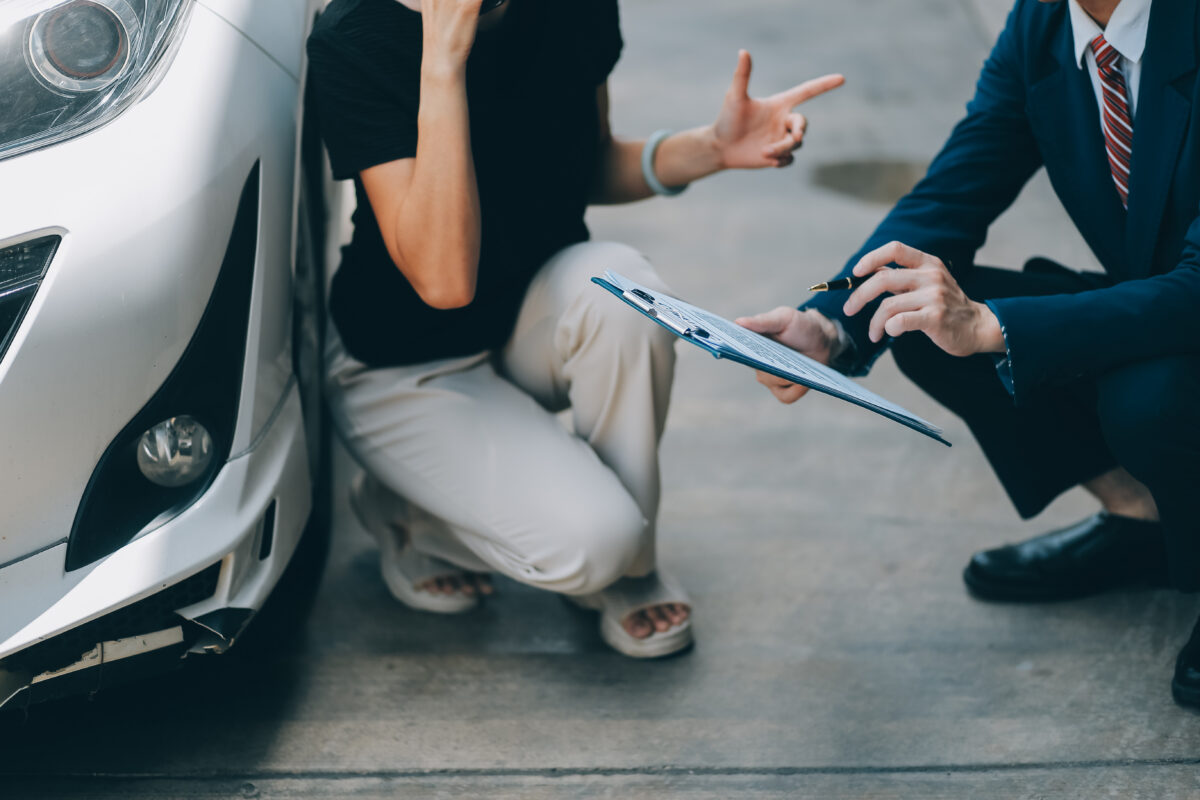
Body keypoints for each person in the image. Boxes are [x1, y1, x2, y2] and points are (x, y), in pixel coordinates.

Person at [307, 0, 842, 658]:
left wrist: (712, 149)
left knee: (623, 288)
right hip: (400, 365)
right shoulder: (357, 35)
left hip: (522, 320)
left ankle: (630, 570)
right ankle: (413, 514)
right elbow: (443, 280)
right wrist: (442, 63)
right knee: (592, 545)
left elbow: (581, 162)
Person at [739, 0, 1200, 705]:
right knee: (915, 317)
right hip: (1163, 316)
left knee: (1149, 398)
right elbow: (955, 189)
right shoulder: (1043, 24)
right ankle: (1149, 522)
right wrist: (832, 326)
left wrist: (993, 324)